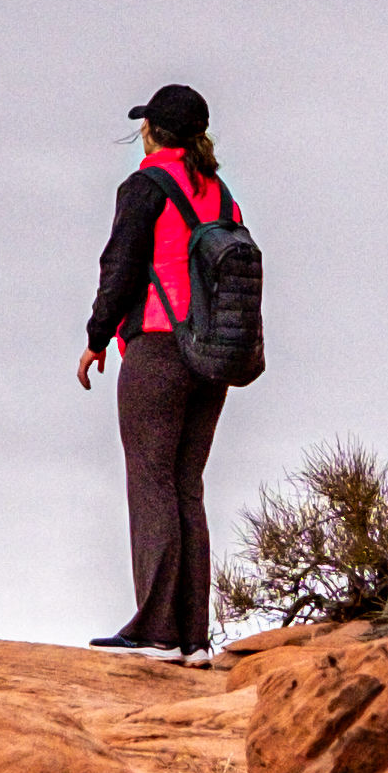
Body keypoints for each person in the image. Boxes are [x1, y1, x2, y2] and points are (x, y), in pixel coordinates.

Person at [73, 81, 243, 655]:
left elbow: (119, 267)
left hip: (158, 348)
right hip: (212, 357)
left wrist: (97, 337)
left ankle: (156, 630)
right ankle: (194, 638)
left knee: (150, 482)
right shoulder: (222, 196)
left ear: (151, 131)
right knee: (186, 487)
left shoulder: (145, 186)